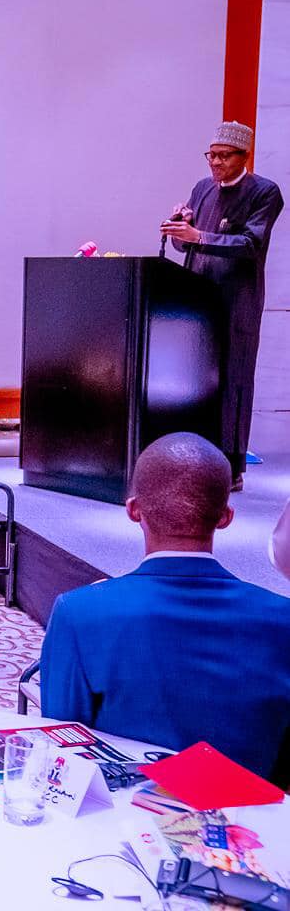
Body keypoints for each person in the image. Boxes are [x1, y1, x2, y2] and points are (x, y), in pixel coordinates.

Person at [39, 432, 290, 786]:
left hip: (125, 826)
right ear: (225, 516)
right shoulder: (283, 618)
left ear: (133, 509)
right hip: (256, 826)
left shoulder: (79, 613)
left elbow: (64, 747)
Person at [160, 121, 284, 488]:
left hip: (236, 301)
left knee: (233, 380)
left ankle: (230, 467)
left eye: (223, 156)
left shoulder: (264, 192)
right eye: (210, 155)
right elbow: (187, 246)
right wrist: (181, 228)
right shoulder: (202, 189)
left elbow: (250, 245)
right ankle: (195, 459)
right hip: (197, 296)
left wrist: (199, 234)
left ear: (243, 156)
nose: (214, 162)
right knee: (195, 379)